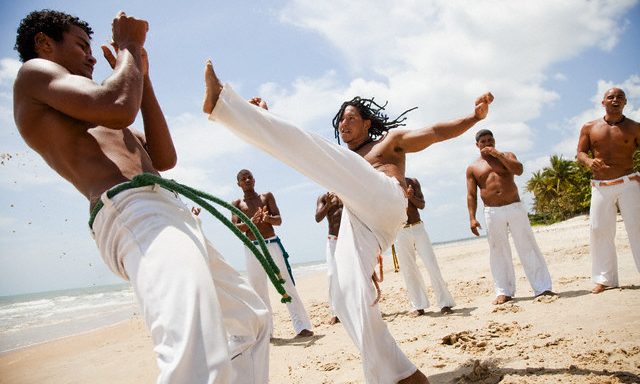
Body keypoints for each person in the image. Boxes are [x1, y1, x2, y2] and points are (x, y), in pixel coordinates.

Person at [13, 10, 270, 383]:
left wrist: (142, 76)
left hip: (166, 209)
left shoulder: (94, 106)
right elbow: (117, 106)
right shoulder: (36, 73)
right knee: (192, 342)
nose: (89, 56)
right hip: (132, 210)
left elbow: (164, 157)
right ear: (44, 43)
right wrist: (129, 46)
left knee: (250, 320)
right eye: (81, 45)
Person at [203, 59, 493, 384]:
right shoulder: (344, 164)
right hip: (364, 222)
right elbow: (305, 153)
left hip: (386, 198)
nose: (343, 124)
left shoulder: (389, 142)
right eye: (340, 120)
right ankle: (402, 374)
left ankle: (225, 105)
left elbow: (436, 133)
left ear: (367, 123)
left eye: (351, 118)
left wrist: (474, 117)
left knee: (320, 152)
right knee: (345, 296)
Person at [466, 129, 554, 305]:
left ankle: (542, 287)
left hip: (515, 207)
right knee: (498, 251)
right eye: (483, 141)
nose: (487, 143)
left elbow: (519, 170)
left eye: (490, 140)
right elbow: (471, 195)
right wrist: (472, 218)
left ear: (495, 141)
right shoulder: (473, 167)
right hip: (492, 211)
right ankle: (504, 291)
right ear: (477, 145)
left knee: (527, 246)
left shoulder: (507, 155)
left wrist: (498, 155)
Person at [232, 169, 314, 337]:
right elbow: (236, 227)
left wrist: (268, 219)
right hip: (253, 248)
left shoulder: (266, 197)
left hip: (272, 244)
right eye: (243, 178)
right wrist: (250, 222)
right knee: (258, 289)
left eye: (250, 177)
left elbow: (279, 220)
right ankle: (266, 332)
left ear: (254, 180)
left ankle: (302, 326)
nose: (247, 180)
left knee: (286, 284)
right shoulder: (237, 204)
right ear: (238, 183)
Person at [576, 87, 640, 294]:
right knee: (599, 230)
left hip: (628, 182)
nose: (615, 100)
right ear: (603, 102)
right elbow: (580, 153)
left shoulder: (634, 128)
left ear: (625, 103)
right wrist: (588, 162)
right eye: (610, 97)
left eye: (620, 97)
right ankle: (605, 278)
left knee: (637, 228)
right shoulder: (589, 127)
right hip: (600, 186)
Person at [394, 177, 455, 316]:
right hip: (400, 230)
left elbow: (421, 205)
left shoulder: (412, 182)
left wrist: (411, 197)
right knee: (409, 270)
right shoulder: (387, 185)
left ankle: (445, 303)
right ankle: (418, 305)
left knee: (431, 265)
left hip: (418, 227)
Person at [315, 191, 343, 325]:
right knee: (332, 275)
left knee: (357, 274)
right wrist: (328, 205)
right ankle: (335, 313)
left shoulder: (348, 193)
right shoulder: (323, 197)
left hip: (349, 239)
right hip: (333, 241)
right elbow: (318, 218)